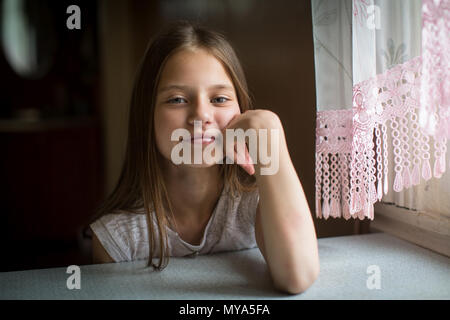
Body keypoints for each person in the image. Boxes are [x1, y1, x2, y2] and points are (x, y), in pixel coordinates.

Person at [89, 20, 319, 294]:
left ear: (241, 111)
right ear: (146, 115)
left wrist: (270, 133)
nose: (201, 115)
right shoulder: (118, 238)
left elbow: (298, 277)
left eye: (219, 99)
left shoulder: (256, 206)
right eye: (176, 99)